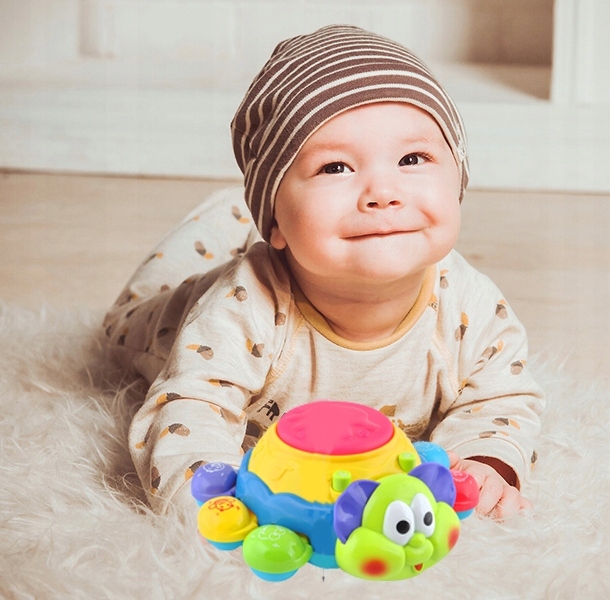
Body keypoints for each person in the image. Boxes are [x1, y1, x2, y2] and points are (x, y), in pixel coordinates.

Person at [104, 24, 545, 520]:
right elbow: (188, 408)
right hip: (169, 320)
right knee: (134, 310)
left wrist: (485, 461)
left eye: (412, 158)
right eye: (335, 167)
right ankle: (230, 213)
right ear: (275, 219)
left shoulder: (471, 305)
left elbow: (503, 399)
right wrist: (215, 507)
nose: (383, 193)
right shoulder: (242, 304)